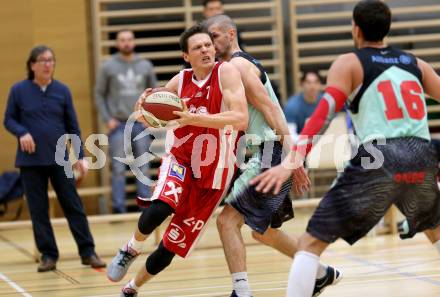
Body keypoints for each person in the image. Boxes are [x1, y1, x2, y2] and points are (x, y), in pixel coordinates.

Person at [250, 1, 440, 296]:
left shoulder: (350, 63)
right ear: (386, 28)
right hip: (420, 155)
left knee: (311, 242)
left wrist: (294, 158)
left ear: (356, 28)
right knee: (435, 230)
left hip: (381, 157)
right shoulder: (415, 63)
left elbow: (323, 115)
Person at [106, 24, 249, 297]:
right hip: (181, 158)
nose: (206, 50)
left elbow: (240, 118)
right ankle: (130, 249)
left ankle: (132, 288)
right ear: (186, 56)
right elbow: (152, 107)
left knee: (170, 247)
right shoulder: (179, 81)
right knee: (160, 207)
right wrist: (143, 105)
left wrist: (195, 118)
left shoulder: (226, 72)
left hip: (214, 175)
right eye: (198, 47)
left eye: (208, 44)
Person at [205, 15, 341, 297]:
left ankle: (241, 292)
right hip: (264, 153)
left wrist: (294, 159)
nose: (211, 44)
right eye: (207, 40)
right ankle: (321, 273)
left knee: (226, 222)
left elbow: (271, 111)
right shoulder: (229, 69)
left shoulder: (239, 65)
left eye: (215, 37)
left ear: (231, 34)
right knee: (262, 231)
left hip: (270, 153)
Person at [3, 45, 106, 272]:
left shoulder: (63, 90)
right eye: (43, 60)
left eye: (51, 60)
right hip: (30, 162)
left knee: (73, 205)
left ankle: (88, 252)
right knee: (38, 210)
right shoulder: (18, 90)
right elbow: (8, 119)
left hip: (60, 159)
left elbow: (73, 127)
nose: (48, 64)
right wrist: (22, 133)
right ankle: (48, 255)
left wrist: (80, 156)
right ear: (32, 65)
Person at [95, 29, 157, 213]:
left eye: (129, 39)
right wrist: (107, 118)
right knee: (118, 168)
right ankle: (118, 209)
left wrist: (149, 117)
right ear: (117, 43)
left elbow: (153, 94)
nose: (126, 43)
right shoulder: (108, 66)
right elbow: (99, 94)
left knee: (143, 166)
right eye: (122, 40)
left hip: (140, 123)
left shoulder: (145, 65)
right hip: (118, 124)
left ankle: (145, 207)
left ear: (134, 42)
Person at [283, 71, 323, 142]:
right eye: (308, 82)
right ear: (302, 84)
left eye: (315, 82)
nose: (312, 86)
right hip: (300, 145)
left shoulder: (326, 103)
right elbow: (290, 136)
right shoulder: (292, 106)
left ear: (320, 84)